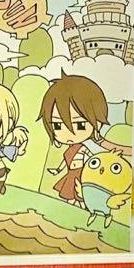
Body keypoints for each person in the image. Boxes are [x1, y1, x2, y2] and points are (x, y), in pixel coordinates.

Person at [39, 73, 109, 205]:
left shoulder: (85, 149)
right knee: (68, 198)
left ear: (98, 122)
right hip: (70, 175)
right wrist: (57, 170)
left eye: (80, 125)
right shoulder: (70, 149)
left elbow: (92, 161)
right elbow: (65, 162)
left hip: (81, 176)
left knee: (80, 199)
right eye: (58, 125)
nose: (68, 133)